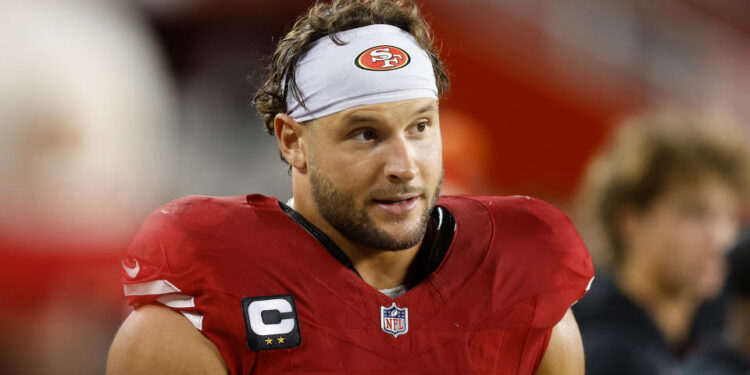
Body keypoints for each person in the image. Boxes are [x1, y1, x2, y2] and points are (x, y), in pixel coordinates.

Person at [106, 1, 594, 373]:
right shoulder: (195, 321)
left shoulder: (523, 300)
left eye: (420, 127)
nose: (405, 166)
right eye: (366, 134)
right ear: (292, 141)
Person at [573, 109, 750, 374]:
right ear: (629, 220)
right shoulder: (607, 351)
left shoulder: (698, 342)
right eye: (695, 213)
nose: (719, 238)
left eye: (728, 217)